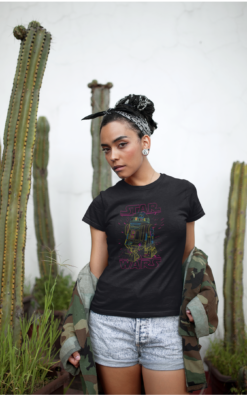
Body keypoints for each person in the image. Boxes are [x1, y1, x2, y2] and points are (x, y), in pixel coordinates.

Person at [68, 94, 205, 395]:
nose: (113, 157)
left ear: (145, 142)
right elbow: (95, 271)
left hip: (167, 325)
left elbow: (188, 258)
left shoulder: (183, 193)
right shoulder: (103, 203)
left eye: (121, 144)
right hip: (111, 323)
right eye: (106, 150)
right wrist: (74, 331)